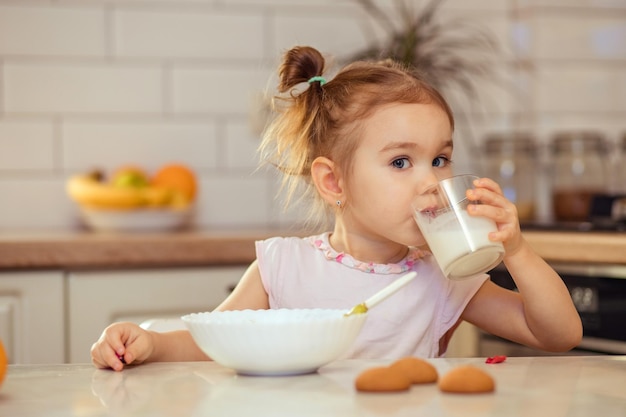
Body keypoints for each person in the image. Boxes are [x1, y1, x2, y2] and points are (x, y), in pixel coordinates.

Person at [91, 46, 582, 371]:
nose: (431, 181)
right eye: (401, 161)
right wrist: (152, 344)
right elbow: (211, 341)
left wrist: (515, 250)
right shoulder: (282, 267)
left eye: (440, 159)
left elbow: (558, 333)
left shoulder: (446, 275)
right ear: (333, 181)